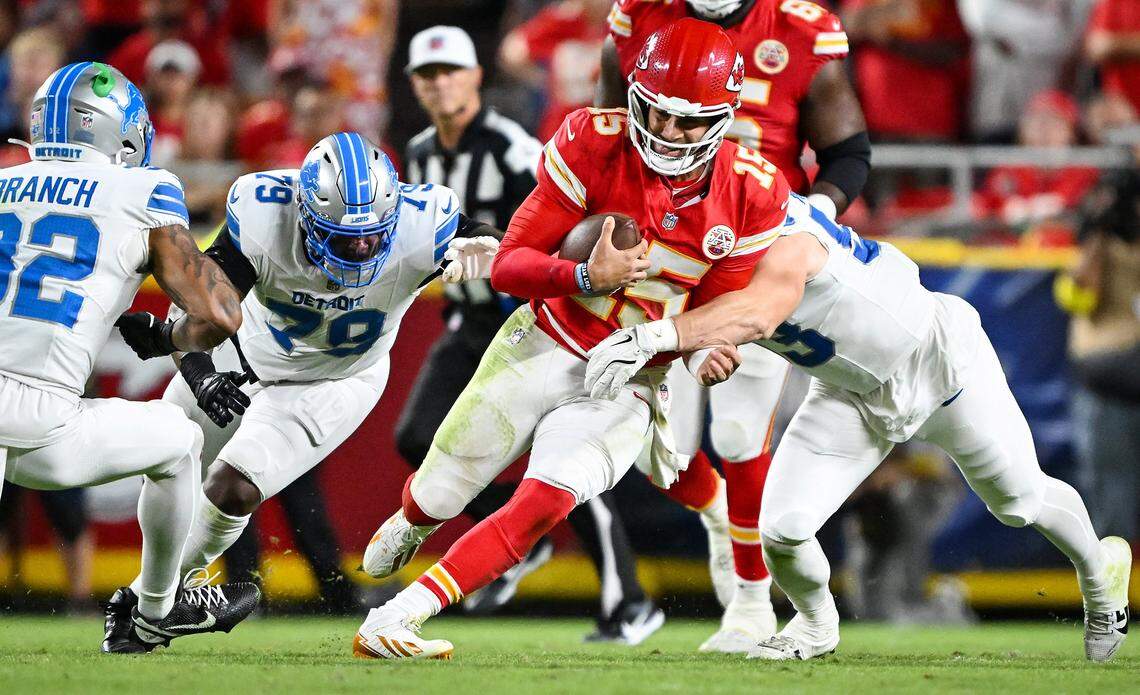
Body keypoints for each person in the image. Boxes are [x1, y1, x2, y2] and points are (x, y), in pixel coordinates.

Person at [354, 20, 791, 660]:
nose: (667, 133)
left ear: (725, 115)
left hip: (629, 376)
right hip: (546, 338)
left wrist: (702, 348)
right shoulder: (594, 138)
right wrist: (584, 274)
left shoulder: (752, 193)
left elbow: (712, 310)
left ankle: (398, 617)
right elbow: (508, 263)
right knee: (440, 489)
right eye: (655, 113)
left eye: (687, 122)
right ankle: (414, 518)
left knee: (546, 501)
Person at [585, 191, 1132, 663]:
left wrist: (656, 339)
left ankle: (1098, 572)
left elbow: (757, 311)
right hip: (849, 391)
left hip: (938, 361)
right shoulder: (704, 261)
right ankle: (816, 624)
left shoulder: (786, 235)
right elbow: (710, 323)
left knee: (1017, 501)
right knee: (784, 529)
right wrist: (698, 355)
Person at [101, 130, 504, 644]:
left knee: (233, 487)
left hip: (335, 376)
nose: (359, 251)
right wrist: (200, 375)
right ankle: (155, 607)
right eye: (343, 237)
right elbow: (202, 308)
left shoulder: (424, 221)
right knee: (166, 462)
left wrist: (489, 247)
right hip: (241, 350)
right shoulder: (265, 213)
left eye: (372, 236)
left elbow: (500, 242)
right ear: (308, 215)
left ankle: (143, 605)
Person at [597, 0, 870, 652]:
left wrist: (813, 213)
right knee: (639, 439)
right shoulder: (637, 18)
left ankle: (750, 602)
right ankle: (719, 512)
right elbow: (606, 134)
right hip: (659, 250)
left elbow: (848, 151)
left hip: (753, 250)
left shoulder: (799, 28)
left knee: (742, 429)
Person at [392, 24, 661, 641]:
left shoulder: (514, 147)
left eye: (450, 70)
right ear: (414, 84)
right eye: (427, 75)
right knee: (416, 438)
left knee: (566, 459)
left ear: (476, 75)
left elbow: (544, 230)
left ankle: (629, 601)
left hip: (533, 320)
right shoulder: (418, 151)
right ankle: (522, 539)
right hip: (466, 322)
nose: (440, 84)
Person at [0, 61, 258, 653]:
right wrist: (168, 337)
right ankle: (153, 613)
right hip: (44, 421)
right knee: (179, 440)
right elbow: (220, 312)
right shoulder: (144, 188)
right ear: (118, 132)